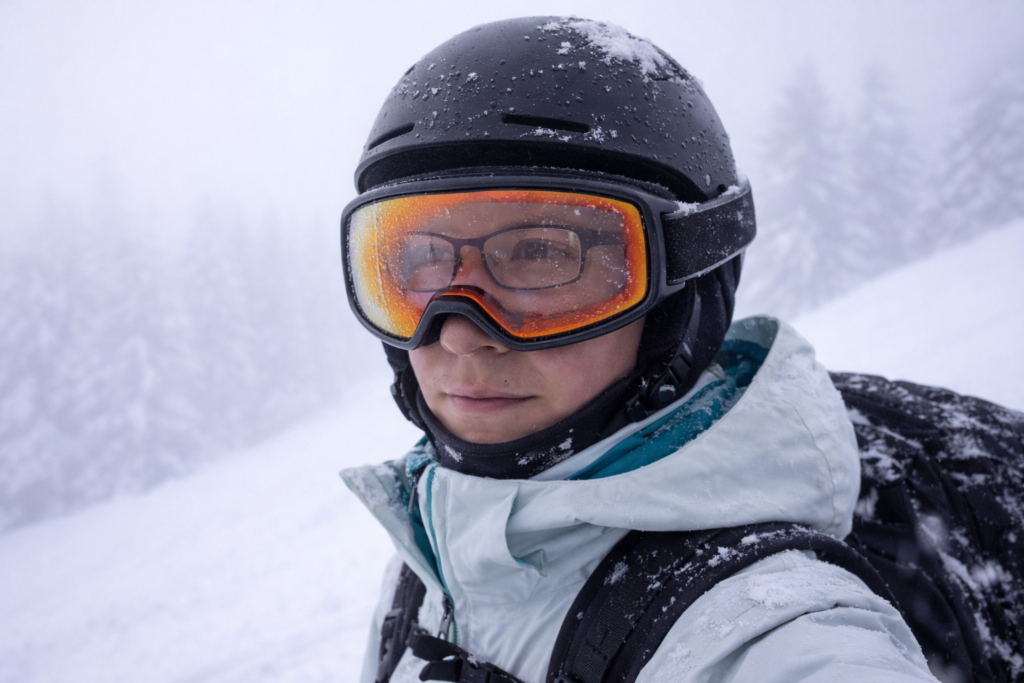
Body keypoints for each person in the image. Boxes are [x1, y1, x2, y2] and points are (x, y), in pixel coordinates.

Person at [340, 16, 943, 683]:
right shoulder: (431, 550)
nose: (458, 329)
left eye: (541, 251)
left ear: (679, 295)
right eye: (419, 258)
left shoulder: (769, 634)